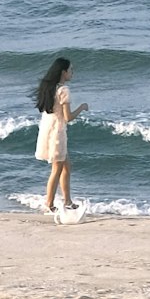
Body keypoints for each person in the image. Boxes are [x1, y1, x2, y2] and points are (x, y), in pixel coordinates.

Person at [33, 55, 88, 217]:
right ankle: (49, 204)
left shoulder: (50, 88)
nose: (72, 73)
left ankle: (68, 201)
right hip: (57, 132)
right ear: (63, 72)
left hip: (48, 129)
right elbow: (68, 117)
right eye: (71, 70)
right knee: (56, 169)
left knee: (66, 166)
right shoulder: (64, 90)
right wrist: (82, 108)